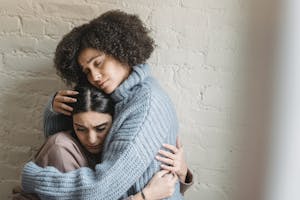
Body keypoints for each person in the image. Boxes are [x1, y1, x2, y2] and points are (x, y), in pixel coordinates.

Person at [21, 10, 192, 199]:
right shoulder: (127, 93)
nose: (94, 76)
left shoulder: (144, 108)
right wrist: (54, 111)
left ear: (121, 52)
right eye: (87, 71)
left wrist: (34, 178)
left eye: (99, 63)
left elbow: (100, 189)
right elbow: (65, 146)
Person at [14, 84, 191, 200]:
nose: (91, 139)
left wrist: (182, 174)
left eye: (100, 128)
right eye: (80, 129)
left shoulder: (119, 149)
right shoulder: (61, 148)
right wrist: (145, 197)